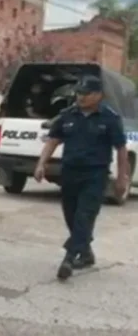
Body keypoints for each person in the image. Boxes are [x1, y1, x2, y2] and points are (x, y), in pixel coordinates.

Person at [33, 75, 129, 281]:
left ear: (99, 96)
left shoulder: (110, 118)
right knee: (71, 215)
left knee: (84, 216)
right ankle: (85, 252)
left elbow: (121, 149)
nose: (81, 97)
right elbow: (53, 141)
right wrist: (42, 164)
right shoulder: (67, 115)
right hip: (70, 173)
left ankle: (69, 258)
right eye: (79, 93)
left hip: (95, 175)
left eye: (86, 94)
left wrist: (123, 178)